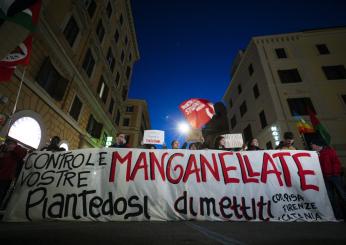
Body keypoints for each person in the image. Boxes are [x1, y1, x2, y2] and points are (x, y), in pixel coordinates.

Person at [311, 137, 346, 220]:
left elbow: (336, 163)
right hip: (325, 178)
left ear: (317, 145)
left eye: (312, 144)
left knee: (342, 195)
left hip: (334, 177)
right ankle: (338, 215)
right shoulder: (315, 154)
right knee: (331, 198)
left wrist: (334, 173)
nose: (311, 146)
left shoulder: (330, 151)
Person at [0, 138, 27, 207]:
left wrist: (15, 147)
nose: (8, 145)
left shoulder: (15, 153)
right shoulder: (3, 149)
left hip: (5, 180)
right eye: (8, 144)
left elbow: (24, 152)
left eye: (10, 144)